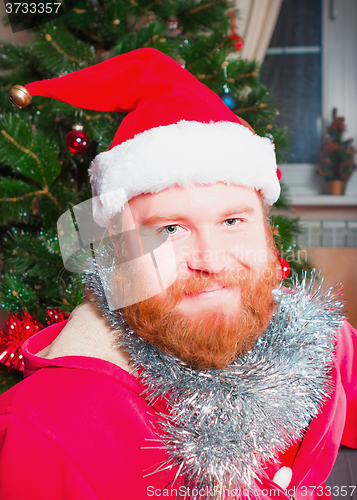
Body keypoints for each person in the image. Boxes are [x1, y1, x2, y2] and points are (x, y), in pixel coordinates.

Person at [0, 48, 356, 500]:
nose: (211, 260)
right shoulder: (49, 429)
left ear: (268, 231)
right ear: (117, 247)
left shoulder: (322, 340)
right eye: (170, 229)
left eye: (232, 221)